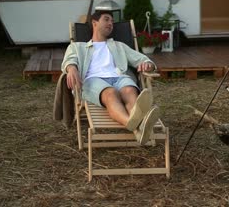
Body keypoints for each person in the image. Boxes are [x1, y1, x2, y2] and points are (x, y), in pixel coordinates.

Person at [61, 10, 158, 144]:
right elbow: (69, 61)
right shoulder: (77, 47)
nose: (111, 23)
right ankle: (134, 125)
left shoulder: (119, 46)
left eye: (112, 21)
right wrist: (71, 68)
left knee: (130, 90)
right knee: (111, 93)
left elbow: (142, 59)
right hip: (93, 80)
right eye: (106, 19)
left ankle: (138, 129)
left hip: (119, 77)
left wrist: (148, 65)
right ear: (94, 23)